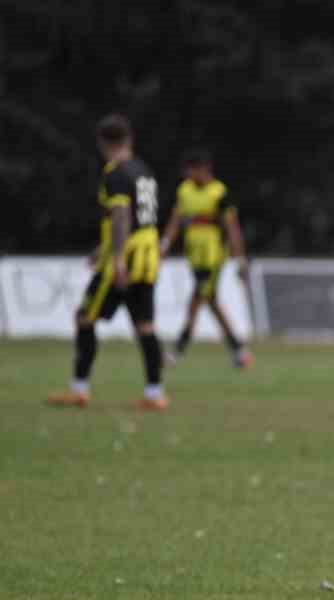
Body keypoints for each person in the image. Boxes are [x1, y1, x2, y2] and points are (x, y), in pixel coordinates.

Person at [47, 114, 169, 411]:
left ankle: (79, 390)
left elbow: (122, 216)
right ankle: (155, 394)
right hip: (147, 256)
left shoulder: (115, 173)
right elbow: (140, 218)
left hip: (125, 256)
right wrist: (102, 248)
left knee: (84, 317)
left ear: (102, 143)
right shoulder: (143, 171)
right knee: (145, 325)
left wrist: (116, 257)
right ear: (130, 139)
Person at [159, 148, 253, 369]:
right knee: (210, 301)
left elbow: (232, 228)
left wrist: (240, 259)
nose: (189, 175)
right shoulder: (185, 191)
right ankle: (239, 350)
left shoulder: (219, 193)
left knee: (196, 300)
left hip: (213, 257)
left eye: (193, 170)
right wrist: (163, 245)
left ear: (205, 169)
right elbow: (175, 221)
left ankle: (178, 350)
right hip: (195, 256)